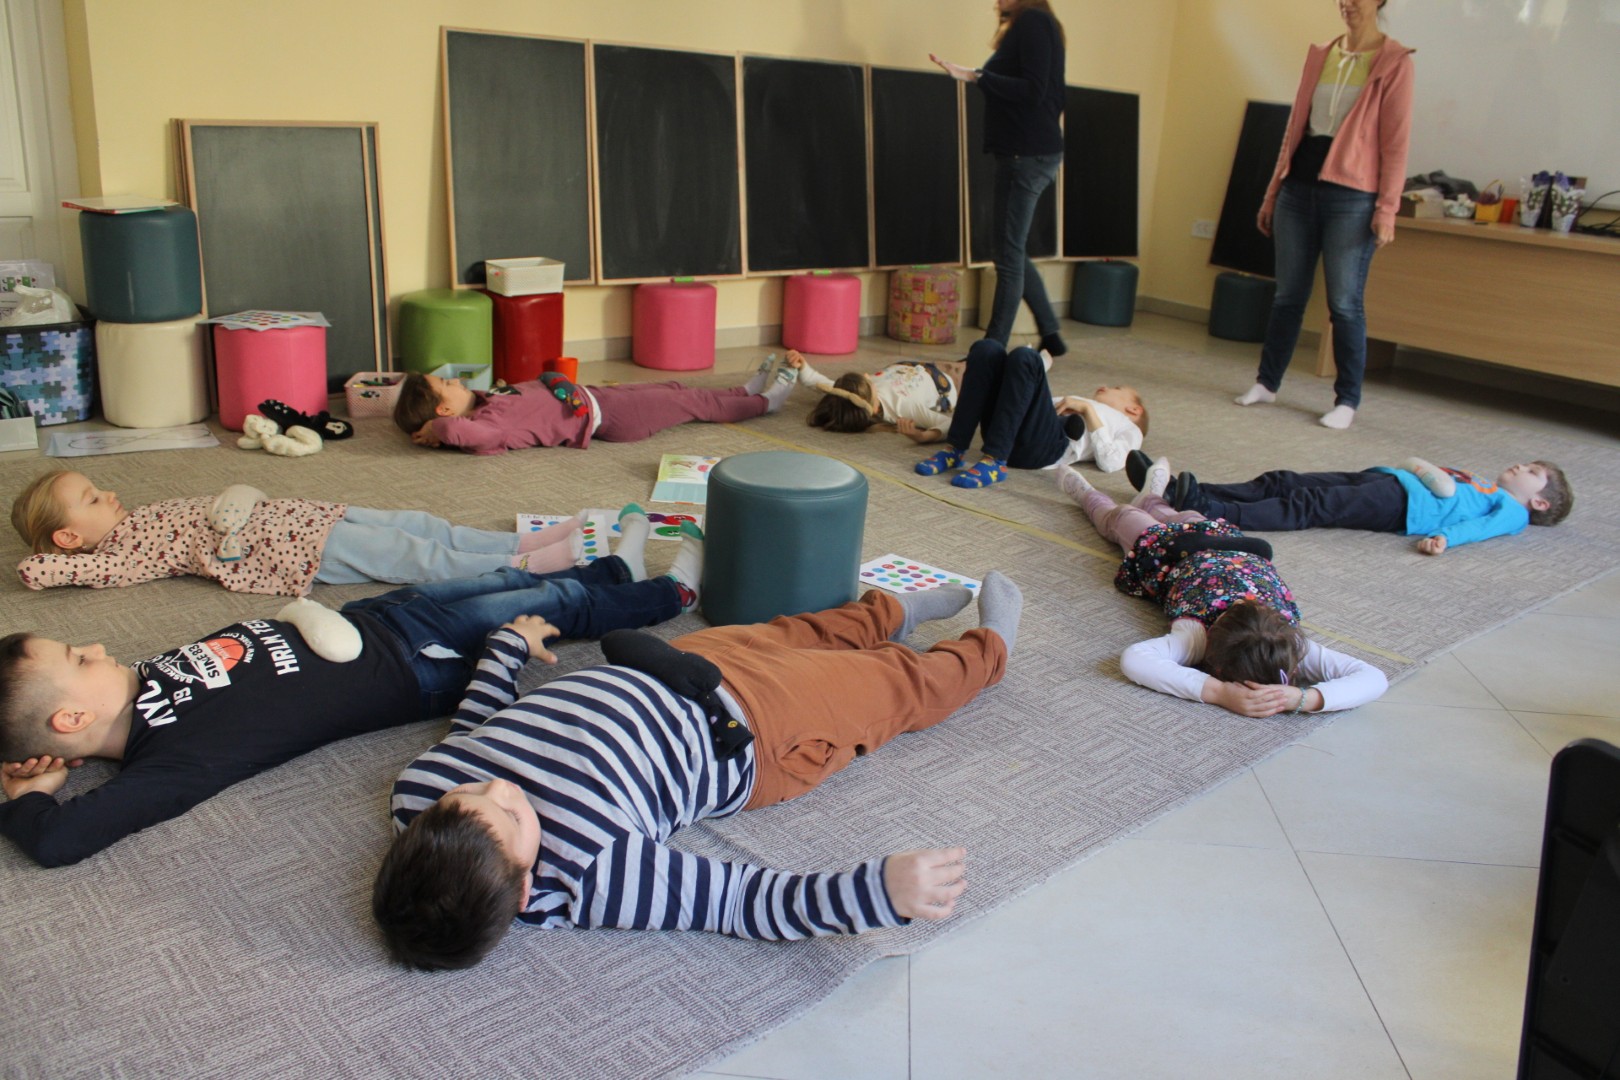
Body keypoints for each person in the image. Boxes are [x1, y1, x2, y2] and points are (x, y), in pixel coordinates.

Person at [372, 572, 1027, 970]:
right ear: (523, 890)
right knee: (890, 686)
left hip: (665, 666)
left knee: (795, 632)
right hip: (756, 732)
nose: (499, 786)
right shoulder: (593, 874)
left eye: (470, 794)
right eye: (512, 815)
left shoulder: (419, 792)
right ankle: (990, 650)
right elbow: (744, 902)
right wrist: (875, 894)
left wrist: (505, 650)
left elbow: (475, 730)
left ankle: (891, 613)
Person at [0, 512, 702, 867]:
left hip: (376, 617)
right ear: (71, 719)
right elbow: (59, 841)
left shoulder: (141, 677)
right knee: (543, 606)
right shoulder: (170, 760)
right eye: (79, 658)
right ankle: (672, 593)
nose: (96, 646)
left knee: (508, 581)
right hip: (411, 663)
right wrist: (33, 796)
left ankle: (614, 572)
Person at [1056, 459, 1387, 717]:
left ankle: (1120, 497)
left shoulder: (1286, 645)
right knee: (1158, 516)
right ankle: (1130, 498)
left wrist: (1301, 698)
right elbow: (1133, 660)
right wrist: (1221, 693)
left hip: (1196, 546)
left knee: (1138, 516)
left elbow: (1374, 678)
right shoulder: (1202, 635)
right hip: (1186, 548)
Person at [1233, 0, 1415, 429]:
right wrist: (1272, 194)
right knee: (1287, 296)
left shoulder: (1395, 63)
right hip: (1298, 188)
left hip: (1353, 198)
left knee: (1345, 303)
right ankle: (1267, 383)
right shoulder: (1321, 54)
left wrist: (1387, 209)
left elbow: (1396, 143)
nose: (1347, 4)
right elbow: (1294, 129)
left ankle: (1347, 401)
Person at [10, 469, 593, 595]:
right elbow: (39, 572)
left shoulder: (137, 517)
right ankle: (525, 568)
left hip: (302, 515)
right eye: (92, 499)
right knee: (411, 553)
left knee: (418, 523)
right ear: (68, 539)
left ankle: (518, 543)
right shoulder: (121, 554)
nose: (109, 493)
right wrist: (45, 563)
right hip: (292, 549)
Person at [931, 0, 1067, 356]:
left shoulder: (1034, 21)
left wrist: (977, 76)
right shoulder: (1036, 23)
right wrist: (975, 75)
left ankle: (989, 352)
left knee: (1007, 257)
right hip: (1027, 152)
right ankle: (1051, 334)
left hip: (1027, 154)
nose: (996, 1)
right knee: (1012, 250)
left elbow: (1034, 90)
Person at [1132, 452, 1573, 555]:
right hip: (1389, 480)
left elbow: (1480, 528)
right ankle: (1184, 490)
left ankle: (1212, 509)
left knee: (1308, 503)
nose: (1520, 466)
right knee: (1286, 480)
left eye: (1532, 470)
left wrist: (1445, 537)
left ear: (1538, 502)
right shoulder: (1488, 486)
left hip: (1403, 506)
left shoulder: (1512, 512)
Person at [394, 359, 798, 455]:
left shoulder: (489, 399)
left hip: (600, 397)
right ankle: (765, 403)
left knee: (674, 388)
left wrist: (555, 380)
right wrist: (433, 430)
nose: (454, 380)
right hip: (612, 419)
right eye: (446, 385)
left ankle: (742, 391)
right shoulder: (488, 423)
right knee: (689, 403)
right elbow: (466, 434)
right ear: (444, 412)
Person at [913, 339, 1146, 488]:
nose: (1105, 387)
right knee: (987, 349)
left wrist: (1088, 410)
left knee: (1026, 358)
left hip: (1043, 449)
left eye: (1117, 389)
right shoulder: (1074, 400)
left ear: (1134, 409)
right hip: (1010, 432)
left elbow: (1110, 462)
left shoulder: (1130, 428)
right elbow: (1020, 401)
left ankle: (994, 461)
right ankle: (954, 449)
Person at [792, 349, 964, 444]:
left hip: (918, 367)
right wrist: (922, 437)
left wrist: (801, 365)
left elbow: (817, 382)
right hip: (948, 382)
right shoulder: (901, 407)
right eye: (869, 382)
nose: (867, 375)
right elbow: (949, 424)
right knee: (978, 354)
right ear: (874, 408)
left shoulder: (850, 395)